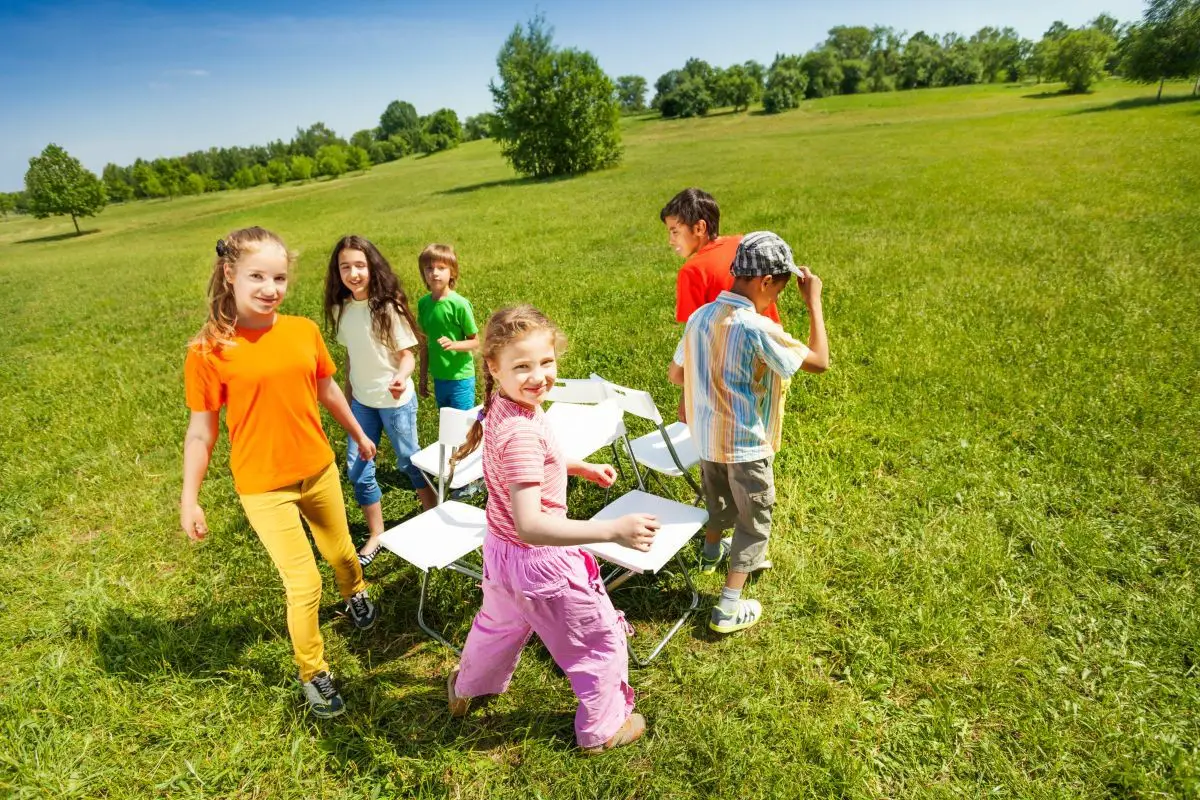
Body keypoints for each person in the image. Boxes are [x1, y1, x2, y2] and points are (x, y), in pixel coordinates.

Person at [180, 226, 379, 719]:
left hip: (318, 471)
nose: (270, 288)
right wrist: (190, 497)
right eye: (257, 277)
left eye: (280, 277)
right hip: (263, 488)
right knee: (304, 584)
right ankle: (313, 672)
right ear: (229, 275)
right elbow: (201, 434)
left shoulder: (302, 331)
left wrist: (357, 432)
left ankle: (354, 593)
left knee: (342, 555)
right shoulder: (208, 351)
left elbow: (329, 390)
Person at [444, 305, 659, 754]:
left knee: (496, 627)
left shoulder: (505, 407)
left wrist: (575, 466)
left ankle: (467, 689)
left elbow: (524, 468)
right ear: (493, 367)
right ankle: (603, 731)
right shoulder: (521, 430)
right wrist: (611, 530)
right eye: (521, 366)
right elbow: (533, 525)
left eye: (546, 362)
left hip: (502, 556)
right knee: (598, 640)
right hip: (541, 566)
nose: (538, 375)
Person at [668, 231, 829, 635]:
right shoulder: (757, 327)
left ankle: (710, 552)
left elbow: (675, 374)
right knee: (754, 520)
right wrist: (814, 304)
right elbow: (819, 362)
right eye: (782, 287)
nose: (779, 295)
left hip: (706, 439)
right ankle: (726, 608)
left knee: (718, 500)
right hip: (745, 445)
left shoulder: (700, 317)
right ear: (764, 282)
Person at [323, 235, 437, 569]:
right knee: (358, 470)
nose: (353, 273)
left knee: (409, 461)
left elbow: (407, 357)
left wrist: (401, 376)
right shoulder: (341, 309)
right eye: (346, 267)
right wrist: (347, 397)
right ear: (337, 272)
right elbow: (351, 358)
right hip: (361, 403)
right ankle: (376, 533)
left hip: (395, 402)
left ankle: (433, 515)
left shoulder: (388, 307)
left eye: (360, 265)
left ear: (372, 267)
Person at [660, 187, 780, 325]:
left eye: (675, 232)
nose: (671, 240)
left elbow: (694, 332)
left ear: (699, 228)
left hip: (735, 345)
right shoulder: (744, 243)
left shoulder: (691, 271)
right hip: (774, 338)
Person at [416, 243, 479, 410]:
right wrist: (422, 378)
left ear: (453, 272)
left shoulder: (459, 304)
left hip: (461, 378)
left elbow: (475, 342)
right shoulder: (423, 304)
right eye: (429, 268)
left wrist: (454, 345)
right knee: (447, 424)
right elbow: (424, 345)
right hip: (439, 378)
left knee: (462, 425)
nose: (434, 273)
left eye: (441, 268)